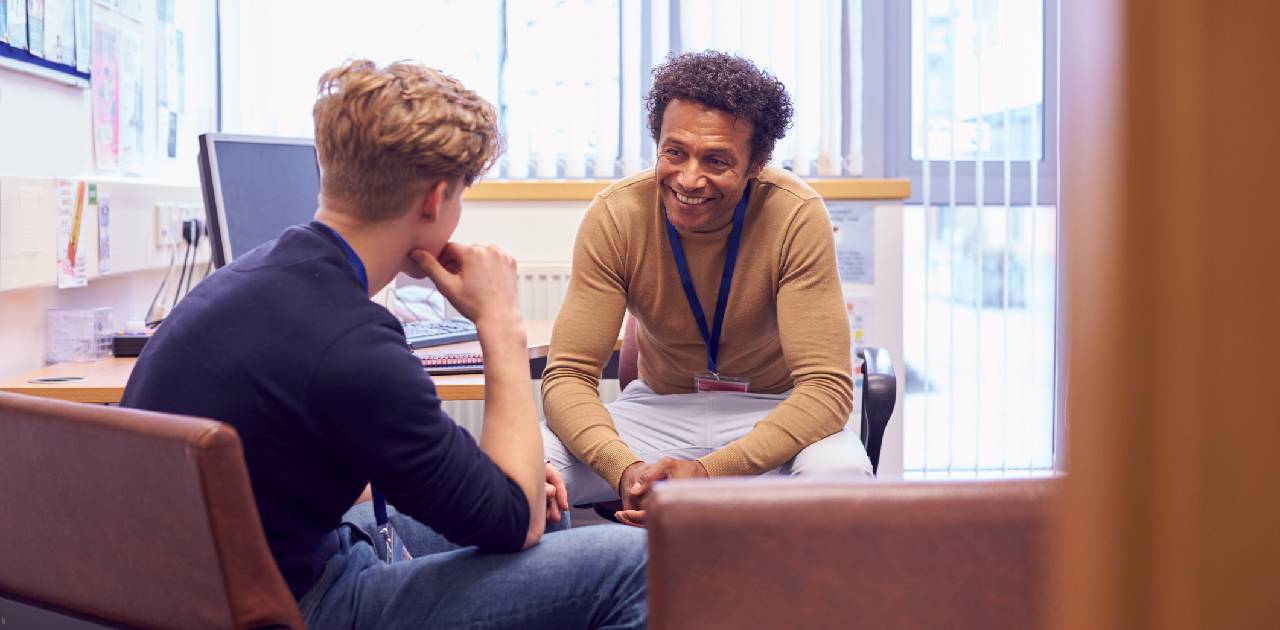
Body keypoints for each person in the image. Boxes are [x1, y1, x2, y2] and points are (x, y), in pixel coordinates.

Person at [122, 59, 646, 628]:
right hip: (298, 606)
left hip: (206, 586)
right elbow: (513, 522)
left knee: (547, 507)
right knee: (642, 562)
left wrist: (502, 486)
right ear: (434, 200)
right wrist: (500, 320)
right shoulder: (354, 347)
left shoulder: (246, 279)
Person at [541, 51, 873, 526]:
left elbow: (825, 390)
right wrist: (626, 470)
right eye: (675, 152)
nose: (689, 178)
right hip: (658, 412)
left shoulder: (795, 215)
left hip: (772, 411)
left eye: (716, 160)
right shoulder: (616, 215)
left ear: (756, 163)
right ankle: (579, 594)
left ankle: (795, 603)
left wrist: (710, 472)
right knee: (527, 466)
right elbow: (568, 377)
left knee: (842, 479)